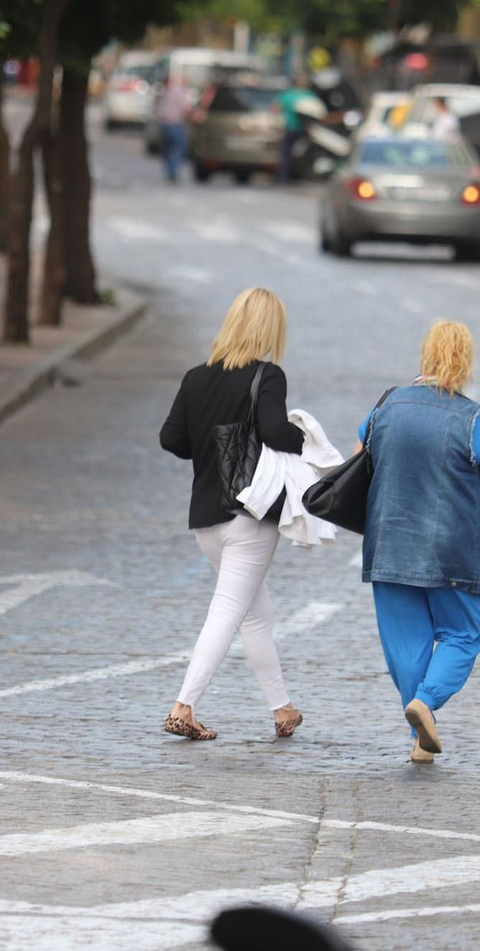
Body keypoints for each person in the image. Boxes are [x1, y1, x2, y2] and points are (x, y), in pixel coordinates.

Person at [354, 320, 480, 764]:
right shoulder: (475, 418)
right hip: (452, 551)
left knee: (407, 646)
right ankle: (426, 702)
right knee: (462, 635)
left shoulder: (387, 404)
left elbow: (358, 459)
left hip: (390, 544)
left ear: (425, 355)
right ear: (465, 362)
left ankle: (420, 735)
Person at [158, 287, 306, 742]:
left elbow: (171, 438)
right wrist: (302, 438)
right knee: (227, 610)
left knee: (256, 613)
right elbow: (275, 432)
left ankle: (282, 709)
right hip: (249, 516)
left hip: (207, 519)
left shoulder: (196, 377)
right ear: (269, 330)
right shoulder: (267, 375)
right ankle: (183, 706)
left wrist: (208, 443)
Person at [275, 73, 316, 183]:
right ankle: (299, 176)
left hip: (291, 128)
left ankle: (284, 177)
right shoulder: (309, 95)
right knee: (303, 153)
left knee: (287, 153)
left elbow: (276, 108)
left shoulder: (288, 95)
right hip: (303, 129)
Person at [155, 72, 193, 184]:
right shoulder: (180, 93)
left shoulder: (168, 91)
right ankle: (173, 171)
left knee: (167, 150)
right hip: (175, 124)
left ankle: (169, 170)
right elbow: (186, 110)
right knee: (178, 149)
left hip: (164, 124)